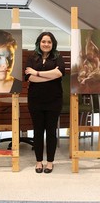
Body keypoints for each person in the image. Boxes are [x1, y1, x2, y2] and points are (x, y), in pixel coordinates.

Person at [25, 31, 65, 174]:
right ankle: (38, 161)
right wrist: (50, 75)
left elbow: (59, 73)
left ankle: (49, 162)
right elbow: (30, 78)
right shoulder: (32, 57)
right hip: (35, 100)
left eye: (49, 42)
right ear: (39, 43)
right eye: (43, 41)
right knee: (38, 131)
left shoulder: (57, 57)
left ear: (52, 44)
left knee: (51, 132)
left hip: (54, 100)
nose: (46, 44)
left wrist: (37, 73)